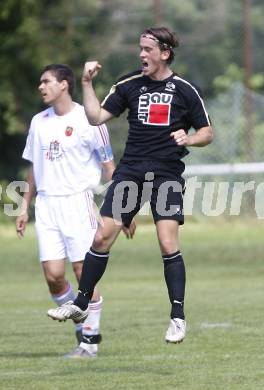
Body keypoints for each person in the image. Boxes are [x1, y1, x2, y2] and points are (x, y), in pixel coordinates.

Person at [47, 27, 213, 344]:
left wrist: (189, 137)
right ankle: (81, 304)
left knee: (167, 242)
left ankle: (177, 317)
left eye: (148, 49)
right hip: (131, 173)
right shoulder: (129, 84)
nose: (141, 55)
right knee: (102, 236)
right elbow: (95, 117)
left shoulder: (185, 90)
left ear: (164, 53)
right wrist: (86, 83)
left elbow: (207, 132)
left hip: (166, 174)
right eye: (140, 48)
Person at [16, 63, 135, 358]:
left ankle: (89, 342)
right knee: (54, 275)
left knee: (84, 272)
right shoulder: (38, 122)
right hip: (46, 205)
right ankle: (80, 315)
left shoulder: (90, 119)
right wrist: (23, 206)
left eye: (46, 82)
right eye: (40, 82)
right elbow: (34, 167)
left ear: (64, 85)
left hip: (77, 201)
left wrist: (125, 210)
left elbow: (110, 168)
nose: (41, 87)